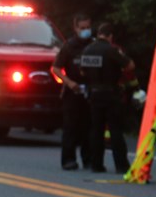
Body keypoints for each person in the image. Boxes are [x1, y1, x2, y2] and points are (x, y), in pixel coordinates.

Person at [80, 22, 136, 174]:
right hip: (111, 95)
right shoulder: (111, 50)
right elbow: (130, 65)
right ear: (110, 36)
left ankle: (96, 164)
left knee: (96, 130)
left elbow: (83, 72)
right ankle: (121, 165)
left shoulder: (87, 50)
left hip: (94, 94)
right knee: (115, 130)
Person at [51, 13, 93, 171]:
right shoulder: (69, 46)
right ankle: (68, 160)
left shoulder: (93, 45)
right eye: (82, 28)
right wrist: (68, 82)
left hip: (89, 91)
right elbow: (55, 68)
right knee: (70, 127)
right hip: (72, 92)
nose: (86, 31)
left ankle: (88, 159)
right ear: (75, 28)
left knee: (89, 127)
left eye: (88, 27)